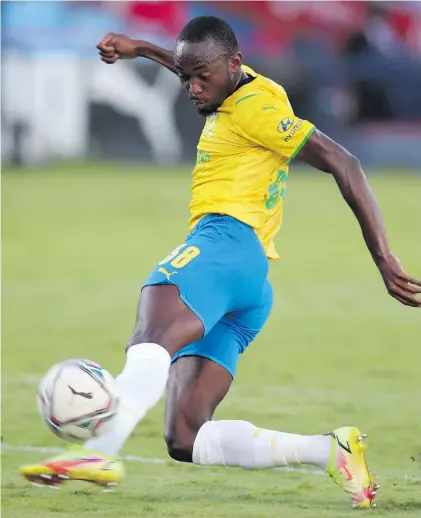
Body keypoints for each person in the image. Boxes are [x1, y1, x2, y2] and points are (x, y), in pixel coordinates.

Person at [21, 16, 421, 509]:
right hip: (248, 283)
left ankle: (99, 451)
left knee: (151, 334)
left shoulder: (254, 110)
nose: (191, 88)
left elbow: (345, 162)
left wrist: (384, 257)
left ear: (233, 64)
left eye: (200, 77)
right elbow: (197, 69)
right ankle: (328, 451)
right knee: (185, 435)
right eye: (187, 76)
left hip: (224, 246)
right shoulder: (232, 83)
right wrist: (142, 48)